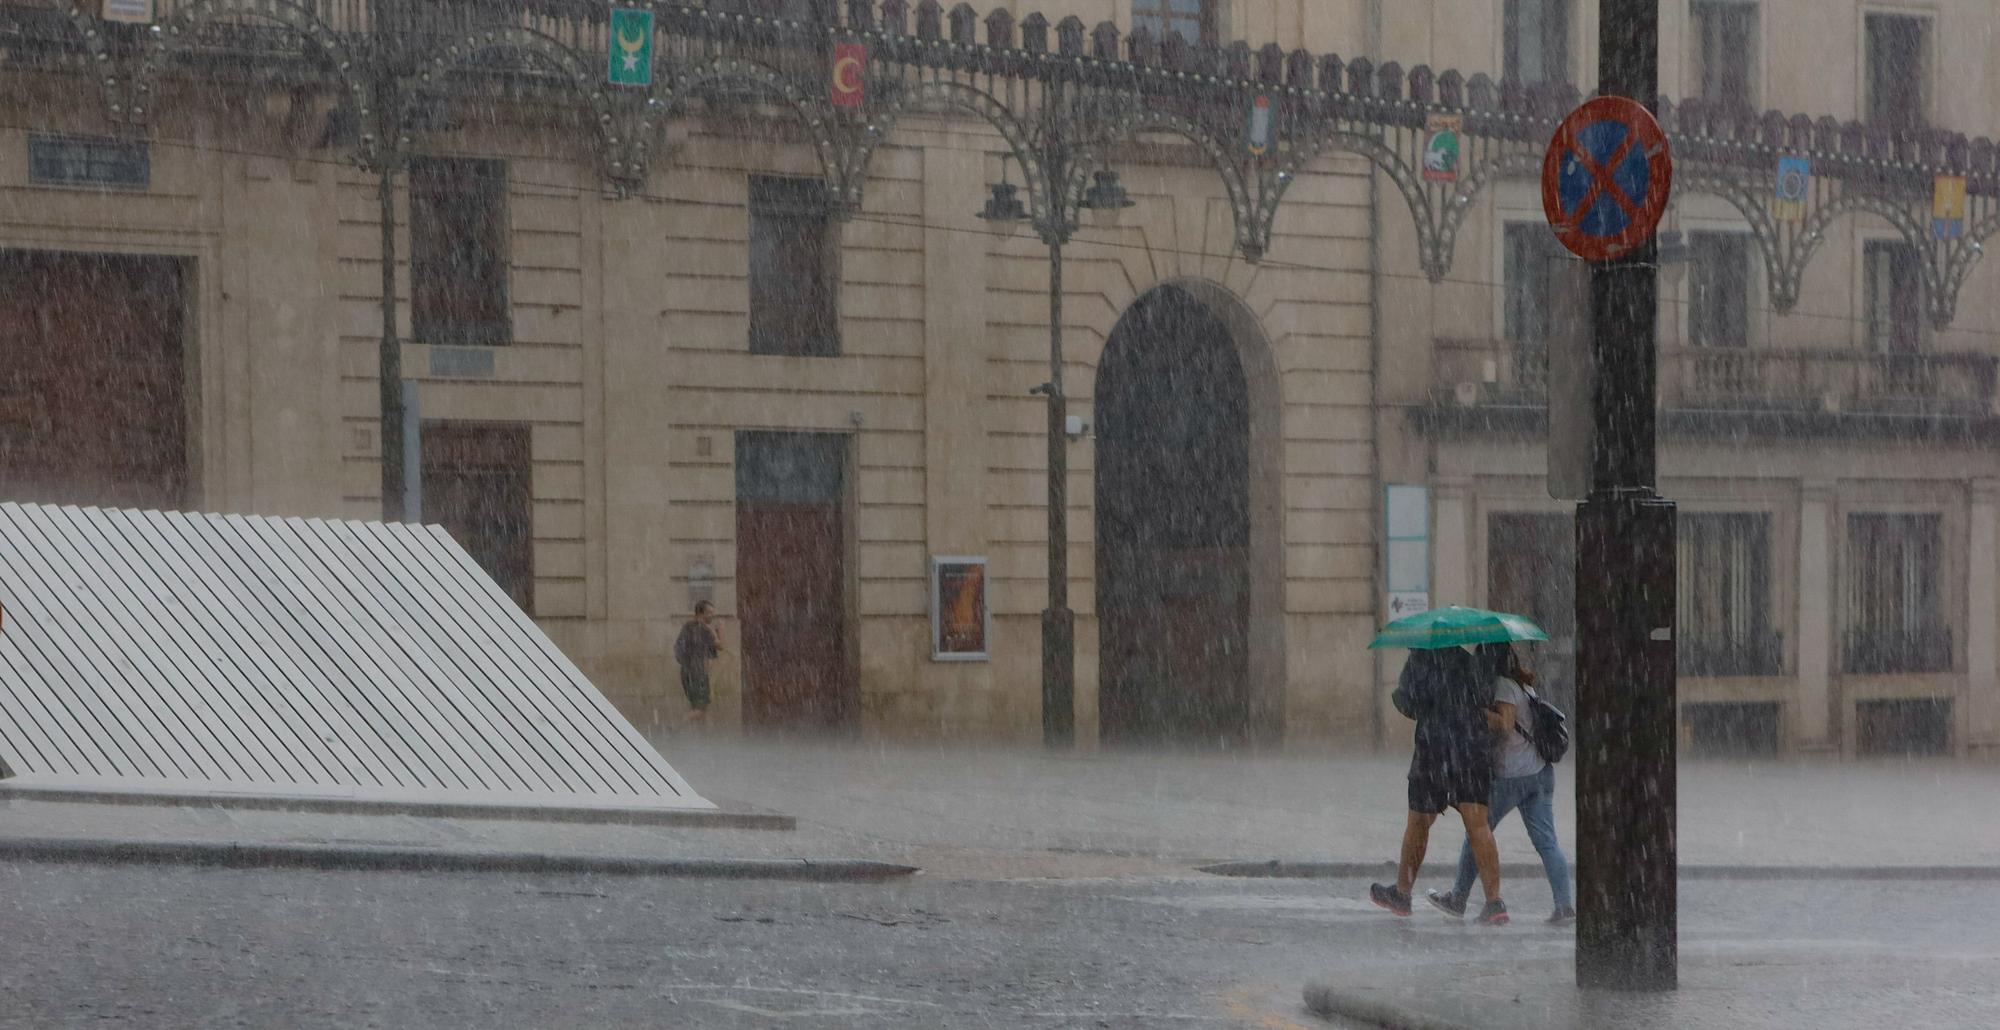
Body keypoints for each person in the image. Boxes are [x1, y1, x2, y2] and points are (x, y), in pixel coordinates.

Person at [1428, 642, 1575, 925]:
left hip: (1511, 776)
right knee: (1547, 842)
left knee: (1477, 832)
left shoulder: (1504, 685)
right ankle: (1564, 906)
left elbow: (1505, 724)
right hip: (1540, 774)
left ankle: (1459, 897)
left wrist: (1479, 712)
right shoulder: (1524, 686)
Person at [1370, 646, 1509, 925]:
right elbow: (1486, 702)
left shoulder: (1421, 658)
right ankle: (1495, 903)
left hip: (1433, 751)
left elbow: (1408, 702)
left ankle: (1402, 894)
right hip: (1472, 750)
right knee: (1479, 826)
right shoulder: (1473, 664)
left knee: (1418, 822)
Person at [673, 600, 724, 724]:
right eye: (710, 613)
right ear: (701, 614)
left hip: (686, 673)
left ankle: (698, 739)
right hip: (698, 673)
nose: (712, 615)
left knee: (696, 707)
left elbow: (678, 648)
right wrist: (719, 630)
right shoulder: (705, 629)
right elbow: (720, 646)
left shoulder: (688, 626)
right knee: (700, 709)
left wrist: (687, 663)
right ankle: (674, 728)